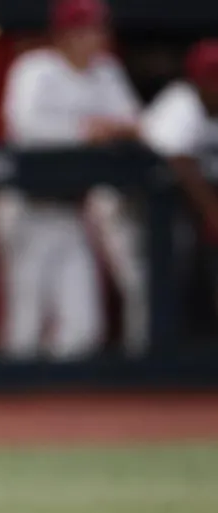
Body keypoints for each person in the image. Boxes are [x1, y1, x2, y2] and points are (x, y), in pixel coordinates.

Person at [0, 0, 144, 360]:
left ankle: (56, 416)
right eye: (86, 29)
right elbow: (25, 129)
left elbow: (136, 123)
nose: (96, 37)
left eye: (98, 28)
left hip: (72, 210)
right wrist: (87, 130)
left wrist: (106, 129)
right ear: (63, 34)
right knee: (24, 330)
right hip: (26, 208)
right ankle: (5, 412)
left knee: (82, 332)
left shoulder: (106, 71)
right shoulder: (35, 69)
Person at [141, 40, 218, 336]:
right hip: (128, 209)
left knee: (174, 278)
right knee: (145, 282)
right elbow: (179, 159)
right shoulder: (180, 102)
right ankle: (149, 365)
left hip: (177, 212)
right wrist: (212, 210)